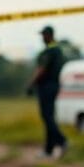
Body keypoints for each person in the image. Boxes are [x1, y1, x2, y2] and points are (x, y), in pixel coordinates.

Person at [27, 25, 68, 158]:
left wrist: (31, 84)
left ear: (49, 35)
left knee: (47, 117)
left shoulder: (50, 51)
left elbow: (41, 69)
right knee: (49, 116)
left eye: (43, 35)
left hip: (47, 86)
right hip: (54, 85)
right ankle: (49, 150)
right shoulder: (57, 50)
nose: (42, 38)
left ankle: (62, 141)